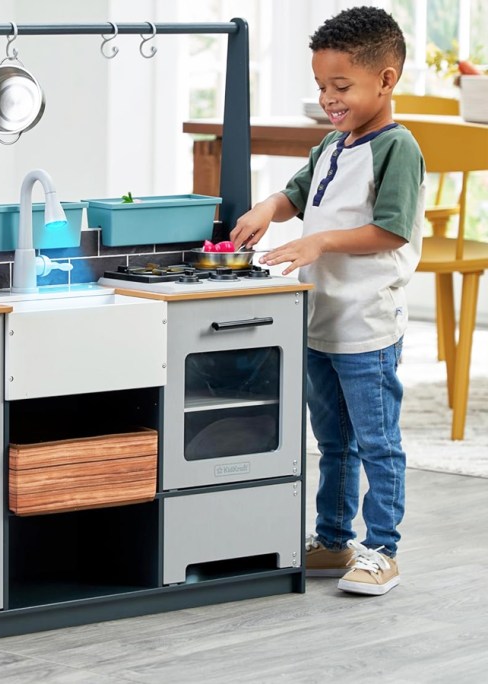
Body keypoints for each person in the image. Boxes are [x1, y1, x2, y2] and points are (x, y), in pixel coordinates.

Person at [230, 6, 424, 596]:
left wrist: (318, 240)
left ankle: (382, 549)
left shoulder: (397, 149)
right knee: (333, 442)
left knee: (377, 442)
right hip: (322, 321)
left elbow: (390, 230)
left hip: (367, 325)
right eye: (321, 86)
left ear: (385, 80)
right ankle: (335, 540)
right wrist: (269, 209)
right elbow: (297, 192)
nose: (329, 98)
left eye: (341, 86)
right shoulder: (335, 143)